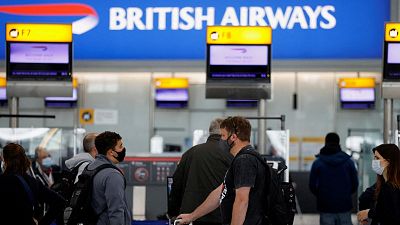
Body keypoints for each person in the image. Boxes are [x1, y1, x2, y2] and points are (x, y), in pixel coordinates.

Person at [177, 116, 267, 225]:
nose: (221, 140)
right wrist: (192, 216)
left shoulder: (244, 160)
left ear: (233, 137)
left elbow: (242, 201)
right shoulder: (240, 159)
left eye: (223, 136)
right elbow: (220, 193)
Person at [168, 118, 233, 225]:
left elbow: (176, 186)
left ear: (210, 132)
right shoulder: (231, 155)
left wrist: (173, 213)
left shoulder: (189, 153)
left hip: (191, 217)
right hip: (221, 217)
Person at [0, 143, 65, 225]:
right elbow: (59, 202)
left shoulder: (2, 181)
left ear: (5, 161)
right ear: (24, 159)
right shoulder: (31, 182)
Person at [309, 132, 358, 225]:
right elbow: (355, 184)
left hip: (325, 206)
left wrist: (321, 195)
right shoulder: (349, 162)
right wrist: (345, 194)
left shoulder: (318, 162)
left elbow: (312, 185)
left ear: (325, 142)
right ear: (339, 143)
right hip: (344, 205)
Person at [86, 131, 131, 225]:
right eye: (120, 146)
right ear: (111, 152)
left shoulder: (89, 168)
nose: (123, 149)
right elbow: (116, 210)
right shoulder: (113, 175)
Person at [357, 144, 400, 225]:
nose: (374, 161)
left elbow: (392, 214)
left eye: (377, 158)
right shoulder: (384, 182)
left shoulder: (391, 187)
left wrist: (369, 213)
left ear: (388, 161)